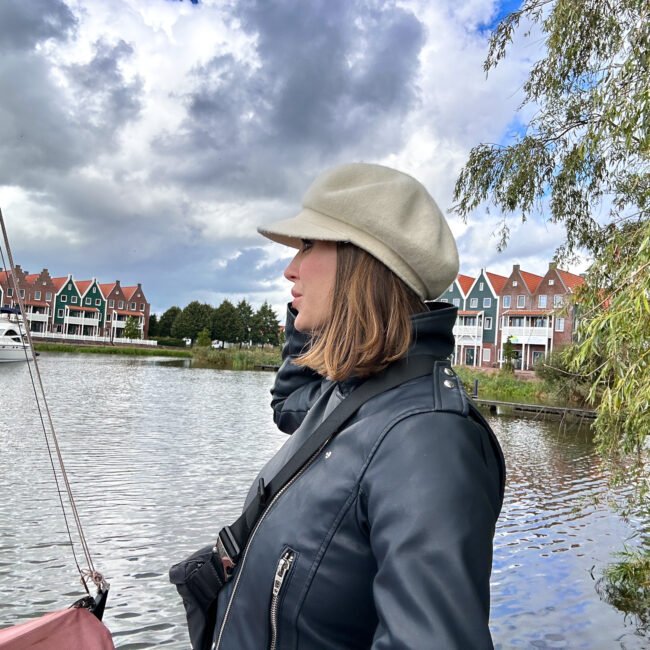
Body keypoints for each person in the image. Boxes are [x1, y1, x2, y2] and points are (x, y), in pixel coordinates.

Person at [211, 163, 505, 649]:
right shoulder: (355, 394)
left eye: (307, 245)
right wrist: (314, 321)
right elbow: (288, 403)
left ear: (358, 262)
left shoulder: (426, 440)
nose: (290, 268)